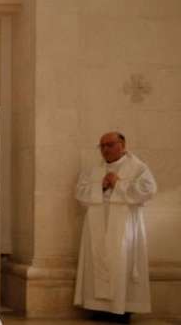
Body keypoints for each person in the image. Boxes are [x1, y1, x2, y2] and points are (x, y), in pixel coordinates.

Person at [74, 132, 157, 323]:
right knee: (97, 261)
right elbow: (79, 192)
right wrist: (101, 186)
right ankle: (99, 307)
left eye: (109, 145)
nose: (105, 149)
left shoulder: (137, 167)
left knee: (121, 262)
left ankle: (122, 309)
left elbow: (148, 190)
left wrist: (118, 184)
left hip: (124, 223)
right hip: (97, 223)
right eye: (101, 146)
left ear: (122, 145)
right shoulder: (94, 169)